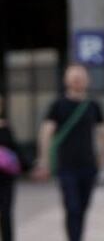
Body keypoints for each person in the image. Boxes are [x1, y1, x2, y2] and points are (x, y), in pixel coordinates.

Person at [33, 64, 104, 241]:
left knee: (83, 207)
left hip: (88, 164)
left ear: (87, 80)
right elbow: (46, 133)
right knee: (72, 207)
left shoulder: (94, 106)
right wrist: (44, 161)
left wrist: (102, 158)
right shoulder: (57, 105)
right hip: (66, 165)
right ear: (66, 80)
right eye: (74, 77)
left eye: (80, 77)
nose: (77, 81)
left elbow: (102, 134)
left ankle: (77, 236)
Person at [0, 95, 22, 241]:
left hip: (5, 177)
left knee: (6, 212)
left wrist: (31, 168)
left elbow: (16, 150)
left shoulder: (5, 127)